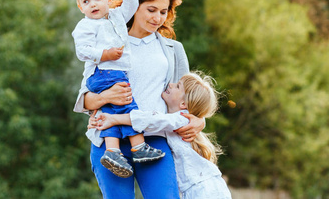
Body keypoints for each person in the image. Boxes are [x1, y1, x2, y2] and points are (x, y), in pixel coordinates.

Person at [73, 0, 205, 198]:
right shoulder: (105, 44)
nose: (158, 18)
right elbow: (84, 99)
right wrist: (106, 97)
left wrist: (199, 120)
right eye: (151, 10)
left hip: (154, 140)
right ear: (133, 5)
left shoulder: (173, 50)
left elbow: (189, 98)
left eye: (163, 12)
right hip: (109, 141)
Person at [72, 0, 165, 179]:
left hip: (113, 71)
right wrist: (105, 54)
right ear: (80, 7)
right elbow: (82, 51)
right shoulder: (86, 25)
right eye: (86, 2)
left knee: (113, 108)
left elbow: (130, 7)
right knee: (127, 102)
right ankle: (138, 146)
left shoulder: (115, 16)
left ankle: (112, 151)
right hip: (104, 72)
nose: (93, 5)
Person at [92, 71, 232, 199]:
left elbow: (149, 120)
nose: (170, 84)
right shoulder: (174, 121)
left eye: (177, 86)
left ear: (183, 103)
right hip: (195, 188)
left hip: (205, 189)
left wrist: (113, 119)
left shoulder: (180, 119)